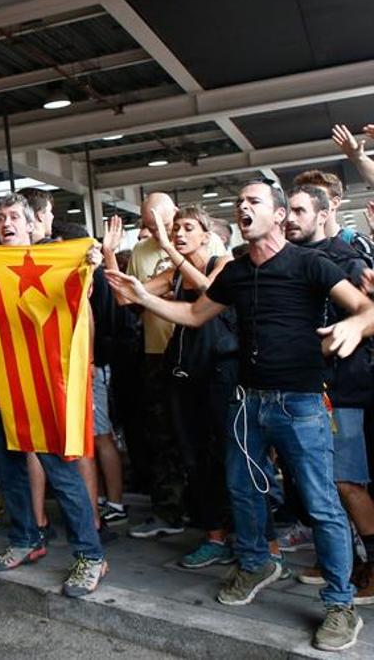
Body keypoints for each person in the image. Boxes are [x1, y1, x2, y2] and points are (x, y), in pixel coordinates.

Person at [107, 179, 374, 652]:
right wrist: (143, 297)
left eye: (254, 201)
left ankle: (340, 604)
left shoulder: (311, 263)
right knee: (242, 491)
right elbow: (193, 316)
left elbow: (366, 310)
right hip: (246, 402)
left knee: (321, 504)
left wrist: (354, 323)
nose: (243, 207)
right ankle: (257, 564)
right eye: (239, 202)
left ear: (277, 215)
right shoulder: (232, 273)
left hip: (302, 403)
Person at [0, 193, 107, 598]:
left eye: (13, 217)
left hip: (43, 393)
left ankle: (90, 556)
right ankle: (27, 539)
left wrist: (90, 264)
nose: (5, 223)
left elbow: (81, 298)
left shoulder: (56, 261)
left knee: (62, 475)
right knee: (11, 476)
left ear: (29, 225)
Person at [283, 184, 374, 603]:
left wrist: (346, 331)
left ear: (322, 215)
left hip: (346, 388)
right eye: (288, 211)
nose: (290, 219)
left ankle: (371, 565)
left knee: (346, 481)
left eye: (299, 211)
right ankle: (342, 559)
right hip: (307, 388)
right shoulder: (294, 261)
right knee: (319, 483)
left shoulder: (347, 261)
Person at [124, 191, 225, 539]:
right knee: (175, 439)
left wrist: (169, 250)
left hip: (213, 365)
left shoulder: (218, 260)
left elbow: (210, 294)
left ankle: (229, 524)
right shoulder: (163, 268)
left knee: (218, 444)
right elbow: (131, 295)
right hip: (168, 358)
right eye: (171, 230)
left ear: (204, 235)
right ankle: (188, 515)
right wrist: (106, 257)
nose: (173, 234)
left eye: (183, 227)